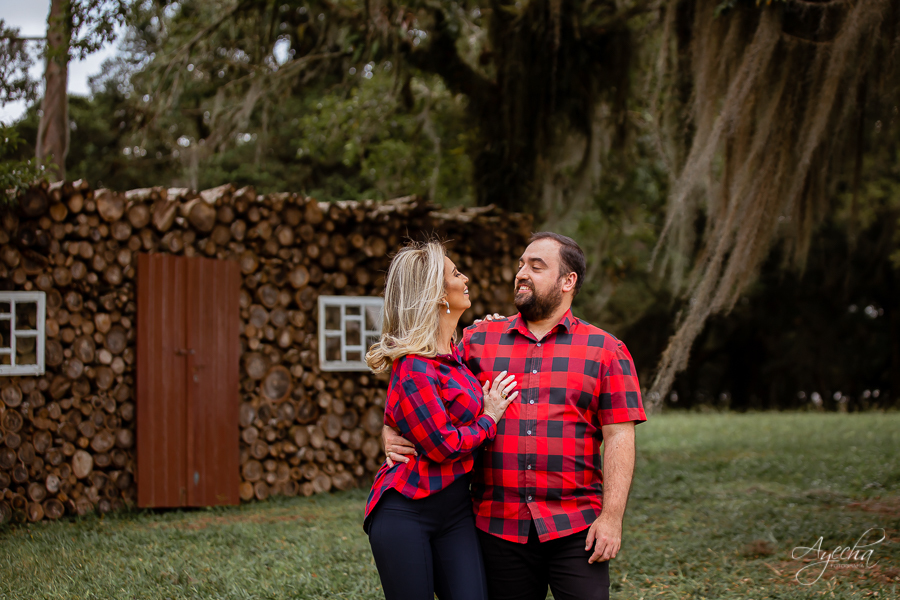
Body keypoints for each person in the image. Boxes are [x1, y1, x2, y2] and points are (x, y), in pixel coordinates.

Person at [384, 232, 647, 600]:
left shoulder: (606, 350)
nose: (521, 273)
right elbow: (423, 381)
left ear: (568, 281)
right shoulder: (477, 340)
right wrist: (388, 427)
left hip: (575, 526)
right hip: (497, 526)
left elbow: (620, 435)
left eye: (536, 267)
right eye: (521, 264)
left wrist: (612, 517)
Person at [363, 240, 520, 600]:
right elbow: (442, 445)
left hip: (455, 511)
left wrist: (488, 330)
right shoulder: (414, 366)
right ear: (436, 294)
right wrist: (489, 416)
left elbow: (405, 410)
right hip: (406, 511)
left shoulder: (455, 357)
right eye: (455, 273)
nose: (465, 278)